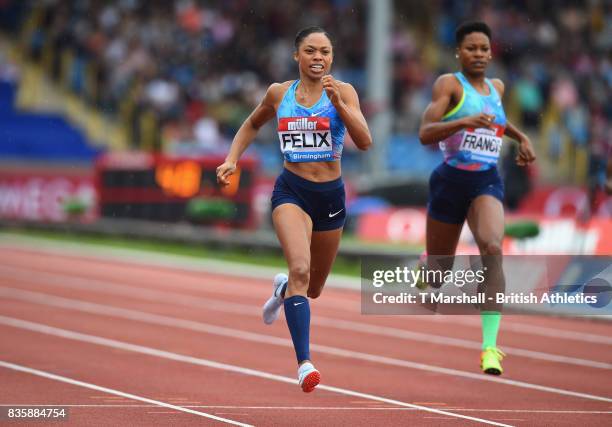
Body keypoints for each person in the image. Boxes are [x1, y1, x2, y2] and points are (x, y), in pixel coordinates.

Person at [216, 26, 372, 392]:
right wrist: (231, 159)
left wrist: (341, 106)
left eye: (326, 52)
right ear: (296, 56)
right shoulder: (279, 93)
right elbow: (252, 123)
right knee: (300, 267)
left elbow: (364, 141)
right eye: (311, 51)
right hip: (292, 191)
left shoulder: (344, 91)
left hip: (331, 197)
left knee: (312, 288)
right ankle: (304, 363)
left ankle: (285, 289)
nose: (319, 58)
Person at [417, 22, 536, 375]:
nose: (479, 54)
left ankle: (490, 348)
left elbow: (496, 121)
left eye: (484, 48)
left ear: (491, 51)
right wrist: (464, 121)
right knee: (439, 276)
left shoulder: (496, 87)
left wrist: (521, 137)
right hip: (449, 182)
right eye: (472, 48)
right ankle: (428, 266)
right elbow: (425, 133)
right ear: (459, 52)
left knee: (493, 249)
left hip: (486, 182)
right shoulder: (448, 85)